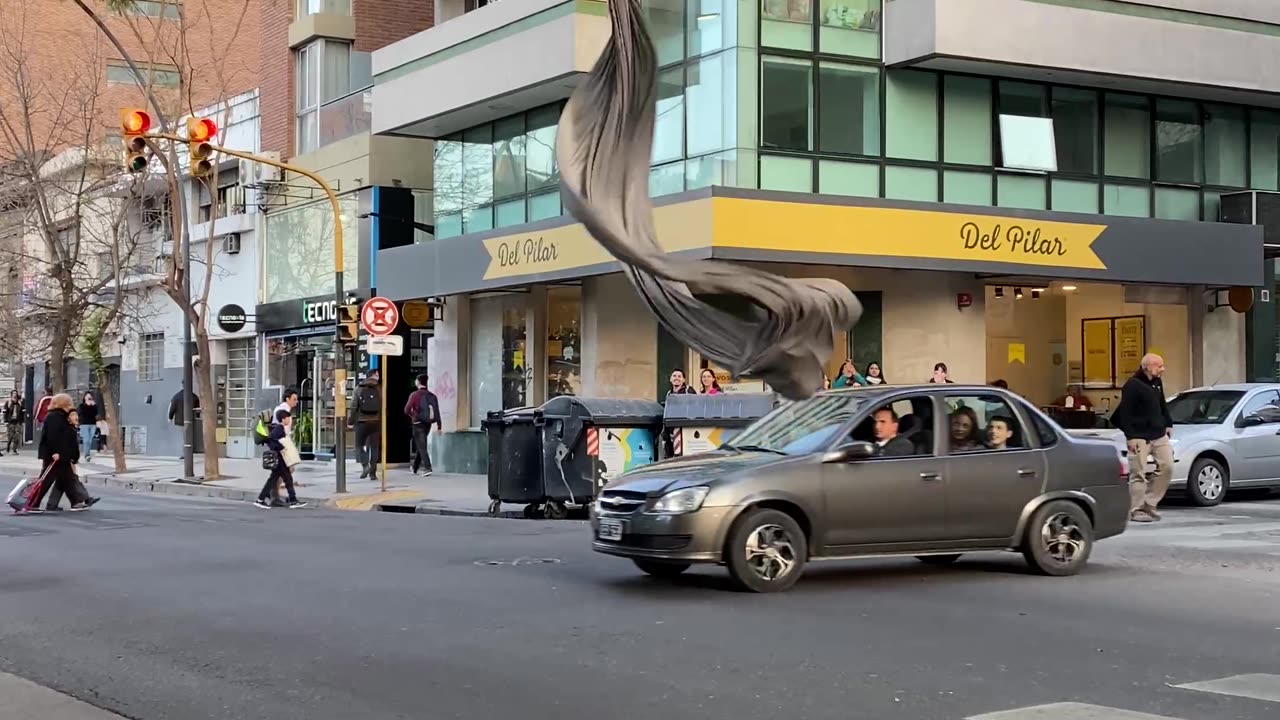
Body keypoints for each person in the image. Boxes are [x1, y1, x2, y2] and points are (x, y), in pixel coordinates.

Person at [1112, 353, 1173, 523]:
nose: (1163, 369)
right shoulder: (1132, 385)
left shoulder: (1156, 382)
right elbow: (1125, 413)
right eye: (1159, 366)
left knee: (1167, 466)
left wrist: (1168, 423)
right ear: (1148, 366)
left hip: (1158, 433)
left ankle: (1150, 504)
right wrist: (1130, 436)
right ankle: (1137, 509)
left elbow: (1162, 404)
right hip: (1138, 435)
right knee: (1138, 472)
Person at [30, 393, 97, 513]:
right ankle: (33, 503)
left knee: (67, 478)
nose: (71, 404)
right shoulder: (54, 417)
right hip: (55, 455)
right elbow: (53, 437)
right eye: (69, 402)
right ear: (63, 404)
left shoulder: (60, 416)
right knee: (46, 480)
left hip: (62, 454)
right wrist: (56, 452)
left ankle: (75, 502)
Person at [254, 409, 306, 509]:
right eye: (288, 418)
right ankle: (293, 501)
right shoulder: (279, 428)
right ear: (283, 419)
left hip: (280, 459)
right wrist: (280, 447)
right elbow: (271, 439)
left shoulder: (280, 428)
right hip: (280, 459)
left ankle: (260, 500)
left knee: (277, 479)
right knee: (286, 479)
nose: (289, 420)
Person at [404, 373, 441, 476]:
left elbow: (406, 410)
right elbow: (437, 411)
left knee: (422, 446)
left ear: (418, 382)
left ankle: (427, 467)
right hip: (428, 424)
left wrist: (413, 416)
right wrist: (439, 426)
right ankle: (415, 467)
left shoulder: (414, 395)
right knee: (421, 445)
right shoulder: (432, 396)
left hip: (418, 424)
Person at [348, 368, 382, 479]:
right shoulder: (379, 388)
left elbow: (353, 406)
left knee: (359, 445)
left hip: (362, 422)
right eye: (377, 374)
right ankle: (373, 473)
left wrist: (350, 421)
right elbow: (383, 405)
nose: (378, 376)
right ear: (372, 375)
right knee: (375, 448)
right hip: (376, 422)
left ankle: (365, 465)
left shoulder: (358, 388)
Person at [77, 391, 99, 463]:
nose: (89, 398)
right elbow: (81, 414)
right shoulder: (82, 406)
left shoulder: (94, 406)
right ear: (85, 397)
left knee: (90, 440)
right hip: (84, 424)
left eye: (90, 396)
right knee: (86, 439)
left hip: (92, 424)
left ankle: (87, 453)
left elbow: (95, 413)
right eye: (87, 396)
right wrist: (87, 405)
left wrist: (94, 406)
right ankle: (87, 455)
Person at [3, 389, 24, 454]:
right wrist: (5, 420)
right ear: (11, 394)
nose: (15, 394)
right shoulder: (8, 402)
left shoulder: (20, 402)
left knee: (17, 436)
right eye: (13, 393)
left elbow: (23, 412)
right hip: (10, 421)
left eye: (16, 393)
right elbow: (5, 412)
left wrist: (22, 421)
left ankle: (14, 450)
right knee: (11, 436)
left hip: (18, 421)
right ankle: (8, 447)